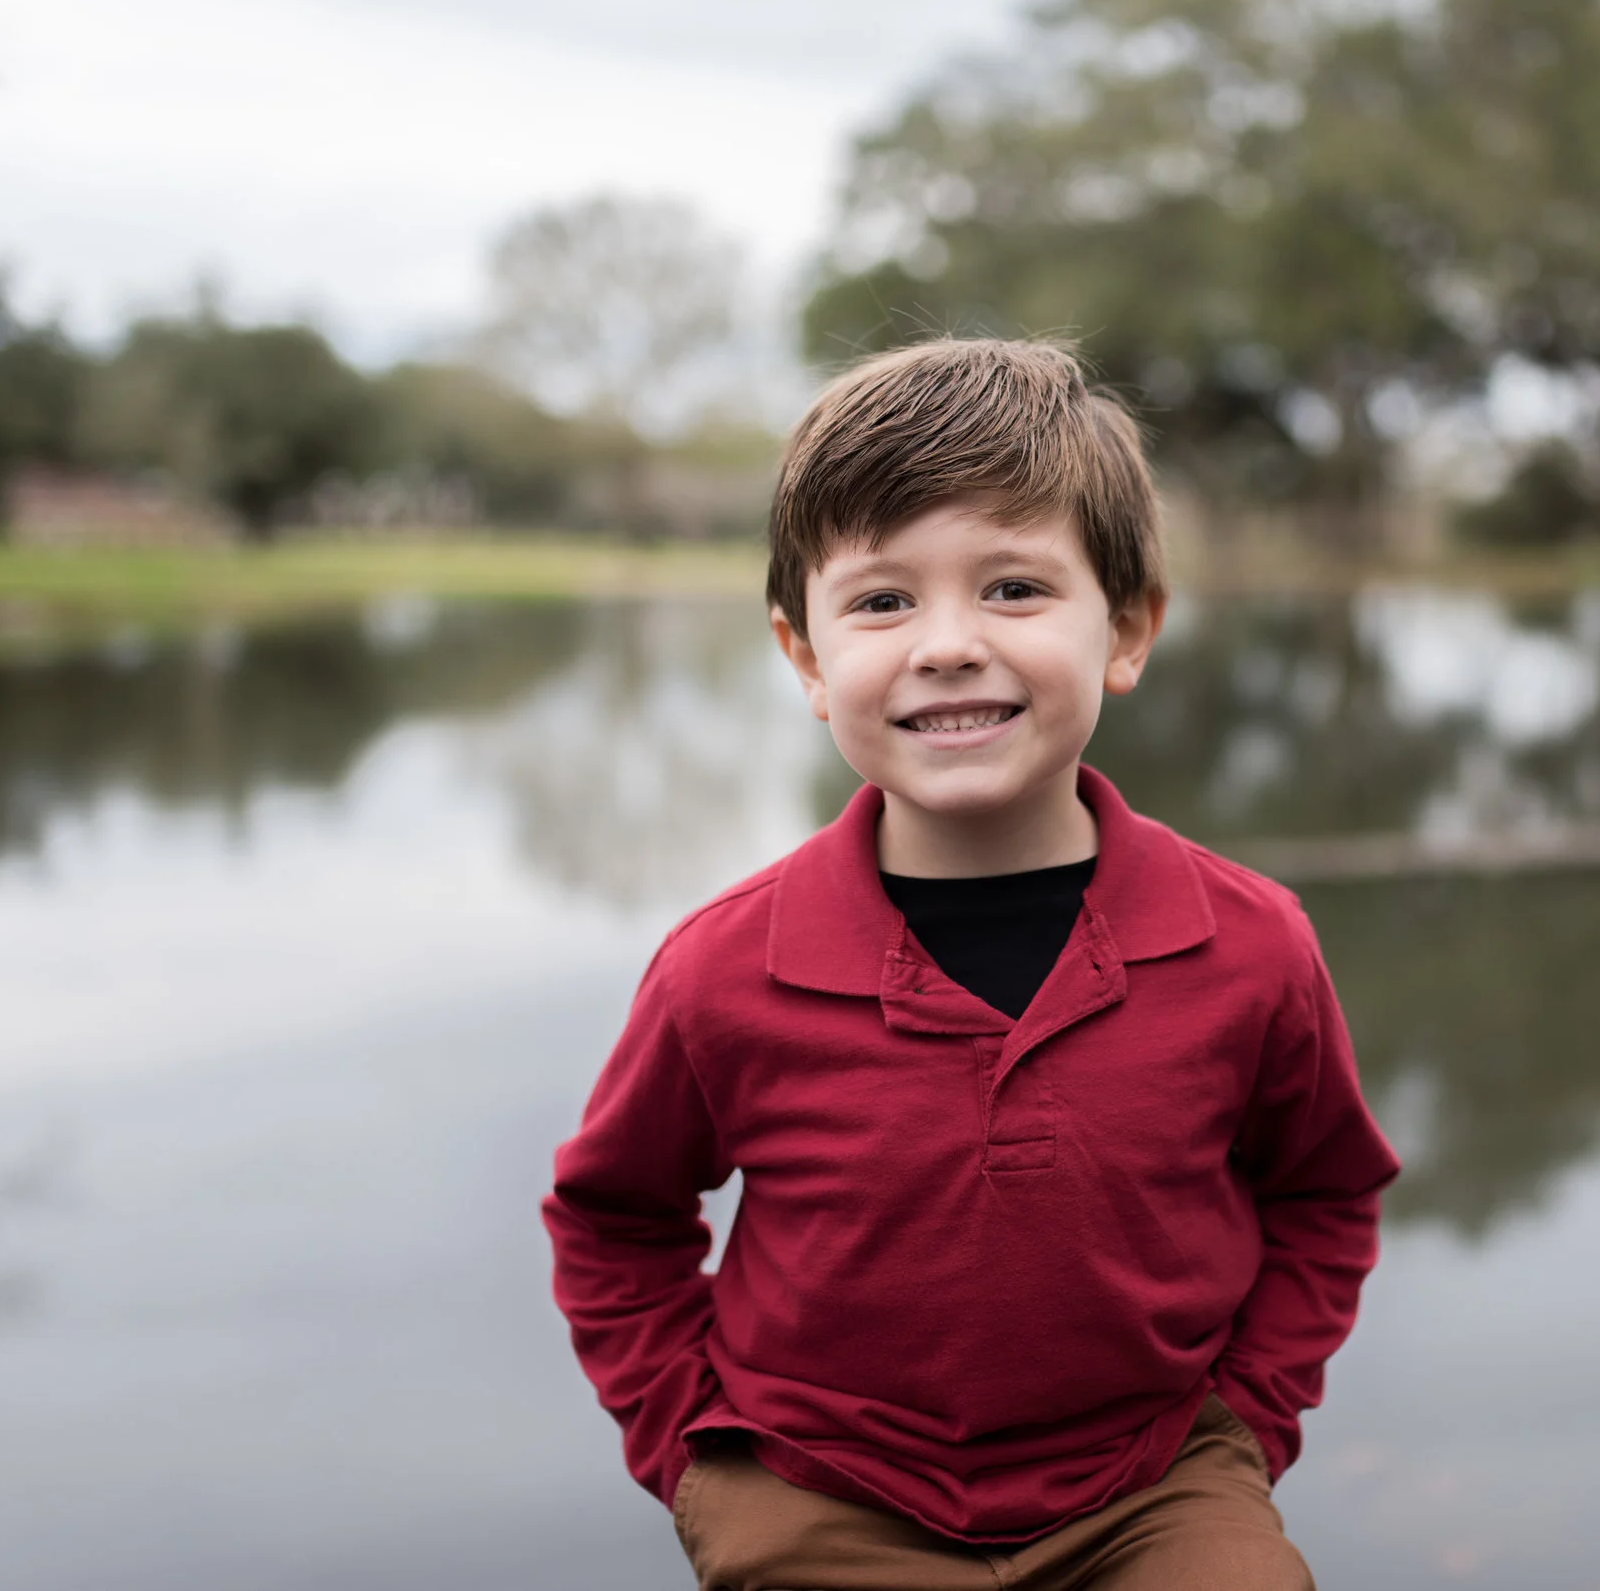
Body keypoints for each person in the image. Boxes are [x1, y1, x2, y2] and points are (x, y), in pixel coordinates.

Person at [543, 337, 1399, 1591]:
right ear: (805, 658)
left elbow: (1323, 1193)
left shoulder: (1250, 942)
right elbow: (615, 1220)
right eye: (883, 602)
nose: (946, 644)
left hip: (1151, 1484)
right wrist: (693, 1458)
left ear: (1130, 627)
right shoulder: (720, 970)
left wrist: (1249, 1422)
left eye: (1013, 589)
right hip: (821, 1490)